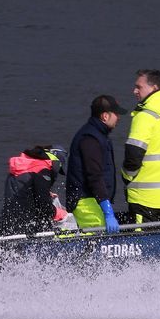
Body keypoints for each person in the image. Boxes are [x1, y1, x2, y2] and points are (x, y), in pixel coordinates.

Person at [122, 69, 160, 223]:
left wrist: (126, 177)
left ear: (154, 88)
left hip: (145, 198)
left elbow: (133, 156)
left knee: (142, 243)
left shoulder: (145, 116)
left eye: (139, 87)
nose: (134, 91)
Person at [65, 95, 127, 233]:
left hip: (94, 201)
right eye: (116, 114)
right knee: (97, 241)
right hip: (86, 203)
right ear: (105, 116)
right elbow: (94, 176)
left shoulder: (99, 135)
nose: (119, 117)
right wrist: (107, 210)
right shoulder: (90, 138)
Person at [0, 145, 66, 233]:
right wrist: (59, 213)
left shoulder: (22, 166)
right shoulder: (42, 169)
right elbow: (44, 206)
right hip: (28, 225)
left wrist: (44, 192)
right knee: (64, 217)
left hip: (8, 221)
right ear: (56, 161)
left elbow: (21, 192)